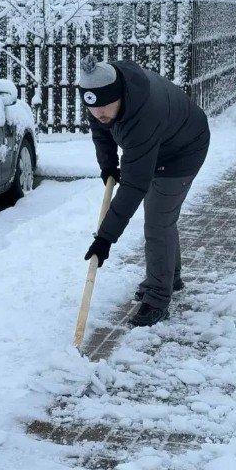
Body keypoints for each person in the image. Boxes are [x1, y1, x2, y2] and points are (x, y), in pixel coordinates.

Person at [79, 55, 210, 327]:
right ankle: (168, 278)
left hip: (183, 149)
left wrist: (104, 239)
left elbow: (134, 186)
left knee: (158, 222)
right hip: (160, 142)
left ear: (120, 97)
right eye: (93, 108)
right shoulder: (102, 95)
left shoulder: (143, 114)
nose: (99, 113)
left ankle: (157, 299)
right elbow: (101, 129)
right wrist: (108, 166)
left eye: (105, 106)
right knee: (161, 216)